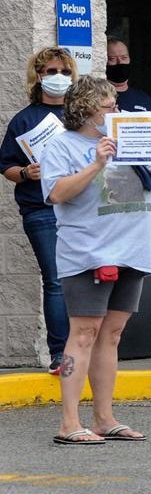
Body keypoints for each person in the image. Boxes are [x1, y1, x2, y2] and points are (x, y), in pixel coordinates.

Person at [37, 75, 151, 445]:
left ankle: (104, 417)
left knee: (111, 335)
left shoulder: (129, 138)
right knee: (83, 333)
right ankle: (69, 422)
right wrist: (96, 164)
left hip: (132, 248)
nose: (117, 111)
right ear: (85, 110)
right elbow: (55, 193)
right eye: (108, 107)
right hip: (88, 253)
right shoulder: (61, 146)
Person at [1, 48, 76, 374]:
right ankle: (60, 354)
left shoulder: (80, 117)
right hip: (41, 209)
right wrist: (25, 173)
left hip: (80, 208)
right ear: (38, 76)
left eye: (63, 70)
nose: (57, 77)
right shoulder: (25, 119)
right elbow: (6, 165)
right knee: (56, 279)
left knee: (86, 280)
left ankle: (83, 348)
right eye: (49, 71)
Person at [104, 37, 151, 121]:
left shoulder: (143, 99)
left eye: (124, 58)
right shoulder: (99, 99)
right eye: (112, 59)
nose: (120, 62)